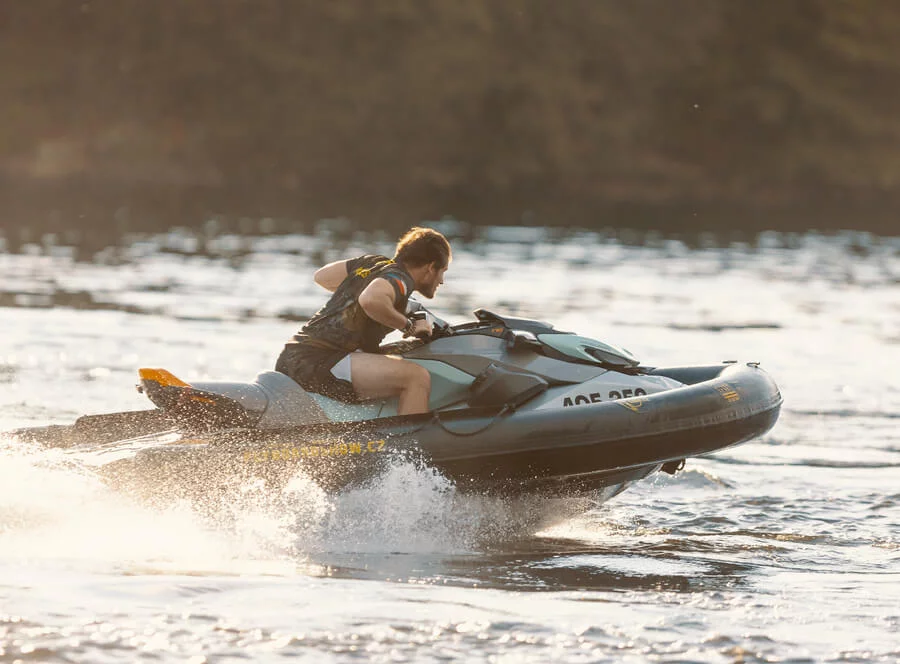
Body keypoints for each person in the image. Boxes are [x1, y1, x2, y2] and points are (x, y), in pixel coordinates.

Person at [275, 227, 451, 415]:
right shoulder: (400, 279)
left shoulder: (372, 264)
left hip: (293, 355)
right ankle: (408, 443)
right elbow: (370, 300)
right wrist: (410, 326)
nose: (441, 281)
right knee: (416, 377)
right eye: (443, 271)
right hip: (317, 361)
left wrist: (362, 293)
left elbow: (322, 277)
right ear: (431, 267)